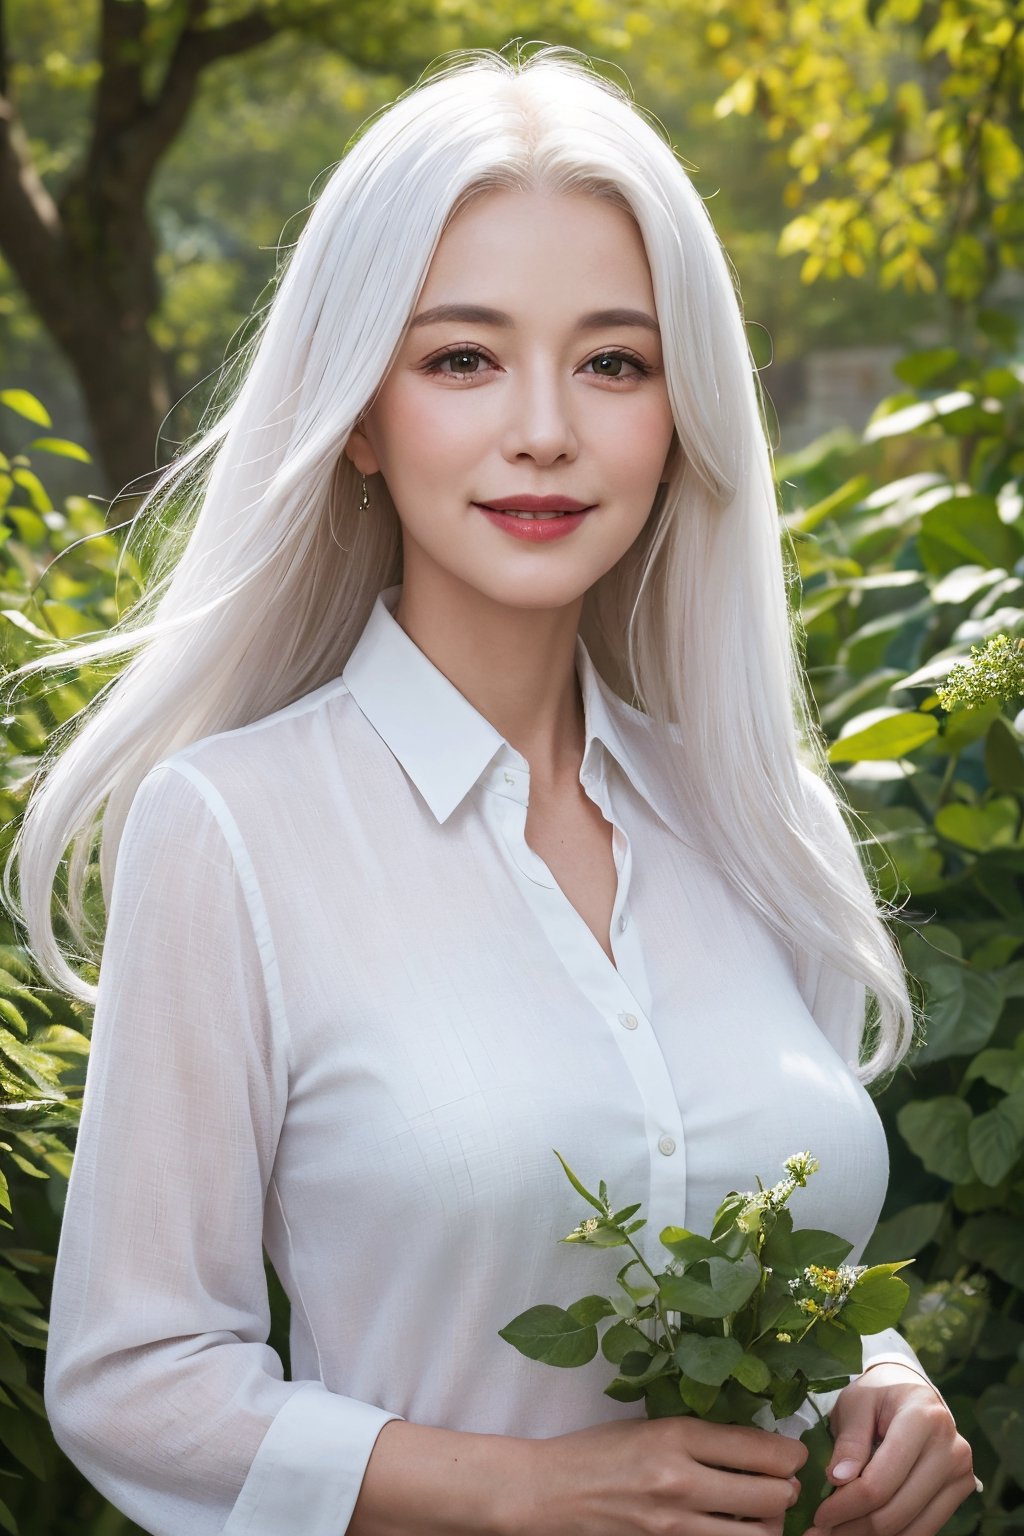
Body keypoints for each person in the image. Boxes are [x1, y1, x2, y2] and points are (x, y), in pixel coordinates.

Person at [5, 42, 976, 1536]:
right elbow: (136, 1377)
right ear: (357, 415)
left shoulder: (743, 807)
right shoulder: (237, 830)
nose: (546, 427)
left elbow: (780, 1259)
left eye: (614, 361)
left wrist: (881, 1383)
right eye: (462, 358)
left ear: (679, 412)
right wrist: (519, 1492)